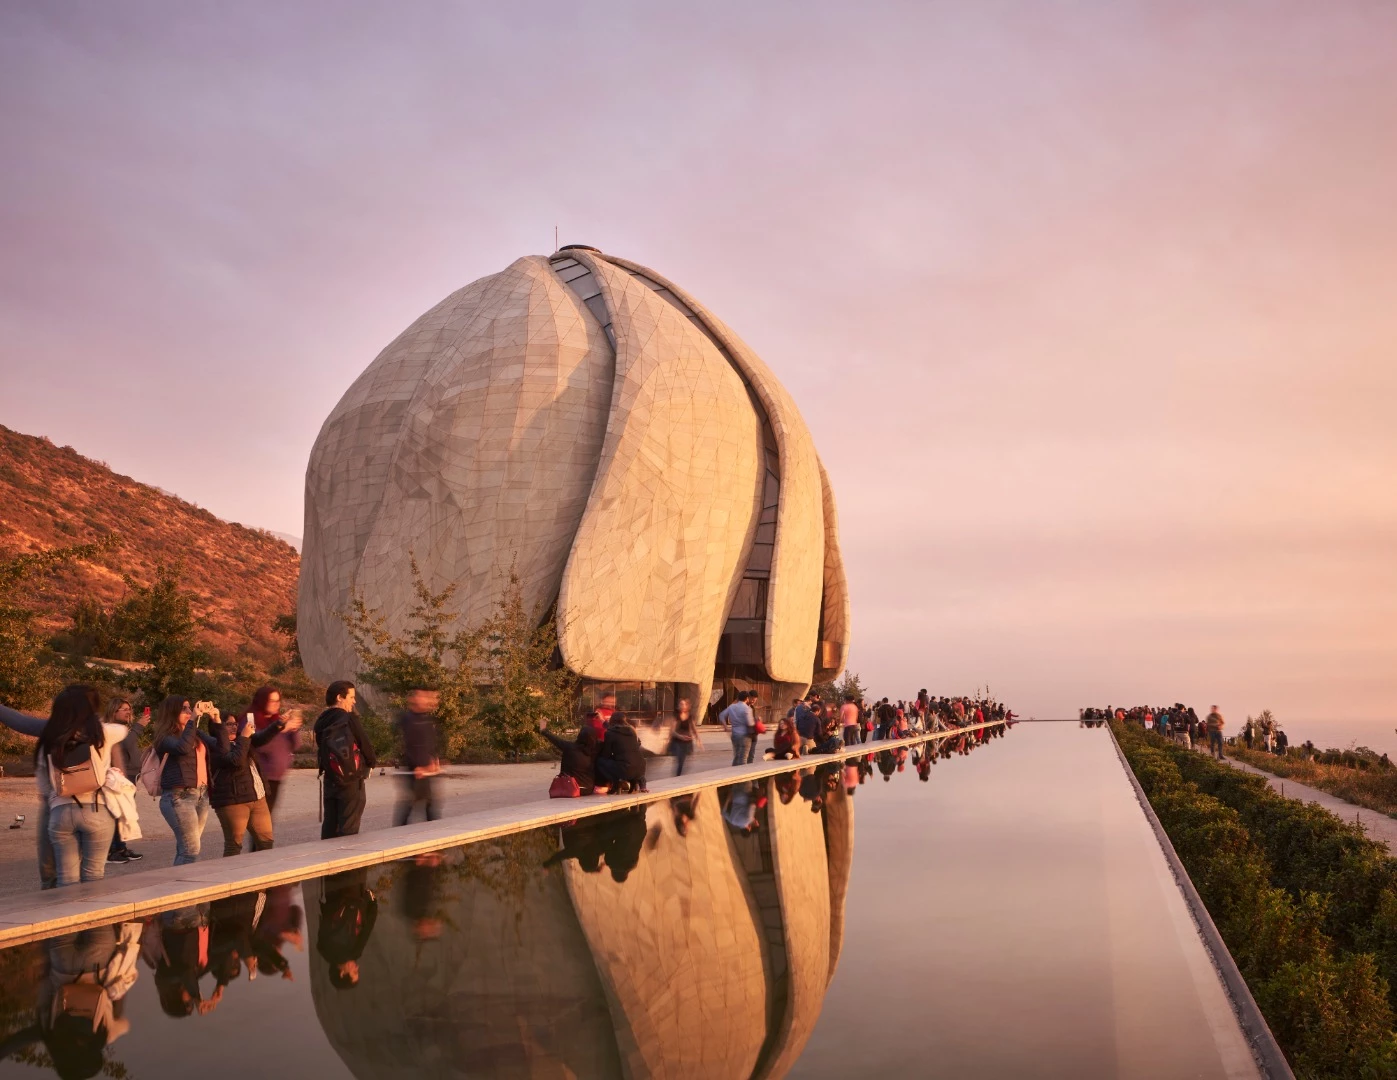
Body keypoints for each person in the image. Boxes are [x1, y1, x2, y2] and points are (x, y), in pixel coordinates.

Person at [37, 685, 131, 886]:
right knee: (93, 877)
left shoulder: (50, 737)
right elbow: (123, 729)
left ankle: (68, 915)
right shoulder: (103, 732)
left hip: (60, 812)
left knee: (66, 878)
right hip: (95, 809)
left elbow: (44, 787)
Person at [0, 700, 58, 888]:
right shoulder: (98, 730)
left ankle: (54, 893)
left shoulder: (53, 728)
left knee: (51, 866)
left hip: (55, 802)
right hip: (84, 804)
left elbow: (21, 722)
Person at [209, 709, 283, 856]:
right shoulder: (215, 745)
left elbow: (261, 738)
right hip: (233, 801)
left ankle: (261, 876)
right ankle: (230, 878)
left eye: (235, 723)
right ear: (217, 725)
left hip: (257, 797)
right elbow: (235, 760)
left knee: (266, 843)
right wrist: (243, 738)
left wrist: (278, 725)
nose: (234, 727)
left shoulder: (242, 740)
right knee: (234, 845)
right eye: (229, 724)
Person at [151, 696, 215, 866]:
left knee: (189, 848)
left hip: (201, 794)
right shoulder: (164, 738)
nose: (188, 711)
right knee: (190, 850)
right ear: (171, 713)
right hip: (179, 796)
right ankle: (180, 887)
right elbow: (182, 748)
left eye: (189, 708)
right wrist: (193, 719)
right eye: (184, 709)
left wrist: (216, 721)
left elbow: (220, 747)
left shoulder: (193, 733)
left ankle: (182, 885)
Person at [315, 681, 377, 840]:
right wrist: (371, 763)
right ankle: (347, 861)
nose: (354, 701)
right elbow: (364, 743)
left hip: (331, 778)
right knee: (348, 827)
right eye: (351, 697)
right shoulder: (348, 718)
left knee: (330, 824)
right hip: (351, 779)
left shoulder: (321, 720)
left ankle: (327, 859)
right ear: (339, 697)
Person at [317, 867, 378, 990]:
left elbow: (367, 928)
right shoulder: (324, 948)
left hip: (351, 888)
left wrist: (372, 903)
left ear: (342, 973)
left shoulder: (353, 952)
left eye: (354, 972)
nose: (357, 968)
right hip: (335, 888)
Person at [249, 685, 302, 815]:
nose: (276, 704)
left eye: (278, 701)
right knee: (262, 821)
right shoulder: (253, 719)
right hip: (261, 777)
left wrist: (294, 729)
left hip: (276, 778)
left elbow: (295, 746)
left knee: (267, 819)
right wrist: (281, 729)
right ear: (262, 701)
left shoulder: (278, 720)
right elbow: (261, 745)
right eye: (272, 701)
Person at [394, 687, 441, 825]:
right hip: (416, 769)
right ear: (413, 699)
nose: (429, 700)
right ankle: (398, 833)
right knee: (412, 803)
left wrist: (434, 759)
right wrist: (420, 765)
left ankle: (433, 833)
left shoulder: (427, 718)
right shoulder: (409, 719)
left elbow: (430, 742)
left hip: (427, 769)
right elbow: (412, 744)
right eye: (424, 696)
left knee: (429, 804)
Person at [538, 718, 600, 795]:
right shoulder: (595, 751)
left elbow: (556, 740)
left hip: (570, 787)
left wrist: (544, 730)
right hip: (588, 789)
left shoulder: (570, 747)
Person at [595, 712, 647, 793]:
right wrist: (602, 721)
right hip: (640, 769)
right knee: (626, 760)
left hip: (626, 770)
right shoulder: (632, 731)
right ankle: (637, 783)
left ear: (612, 720)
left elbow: (606, 754)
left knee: (600, 761)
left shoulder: (609, 734)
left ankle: (615, 783)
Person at [721, 691, 757, 766]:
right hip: (745, 735)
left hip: (734, 735)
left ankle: (733, 773)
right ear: (747, 698)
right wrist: (757, 721)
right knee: (743, 758)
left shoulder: (732, 706)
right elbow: (750, 723)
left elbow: (721, 715)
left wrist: (726, 727)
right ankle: (742, 774)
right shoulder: (747, 709)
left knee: (737, 756)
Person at [667, 699, 701, 776]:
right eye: (681, 704)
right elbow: (672, 731)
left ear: (687, 706)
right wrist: (680, 736)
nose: (683, 706)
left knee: (687, 761)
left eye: (684, 704)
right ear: (679, 706)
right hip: (678, 741)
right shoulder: (676, 716)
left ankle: (680, 776)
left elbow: (693, 728)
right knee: (680, 761)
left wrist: (698, 740)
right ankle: (677, 777)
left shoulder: (690, 716)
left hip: (687, 741)